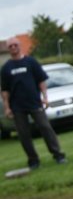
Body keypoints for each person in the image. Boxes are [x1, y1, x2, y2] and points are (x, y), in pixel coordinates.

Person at [1, 38, 67, 169]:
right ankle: (33, 160)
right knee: (23, 134)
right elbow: (5, 90)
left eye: (15, 45)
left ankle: (58, 155)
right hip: (17, 107)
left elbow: (41, 81)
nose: (13, 47)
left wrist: (45, 97)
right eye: (10, 46)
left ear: (20, 46)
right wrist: (7, 107)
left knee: (45, 127)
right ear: (8, 49)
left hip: (34, 102)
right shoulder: (6, 68)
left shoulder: (31, 62)